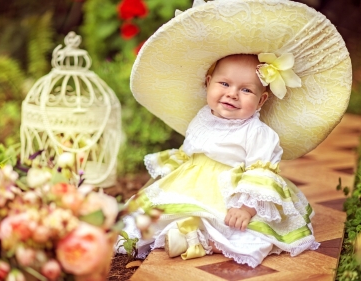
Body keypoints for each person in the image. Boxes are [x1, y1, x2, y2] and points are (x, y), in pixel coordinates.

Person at [117, 0, 352, 268]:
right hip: (193, 180)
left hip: (233, 189)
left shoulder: (259, 134)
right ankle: (184, 231)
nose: (232, 94)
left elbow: (259, 173)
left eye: (246, 90)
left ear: (262, 100)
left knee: (242, 228)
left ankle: (201, 240)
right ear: (208, 84)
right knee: (162, 208)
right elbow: (192, 149)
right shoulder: (203, 115)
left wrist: (246, 208)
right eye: (224, 83)